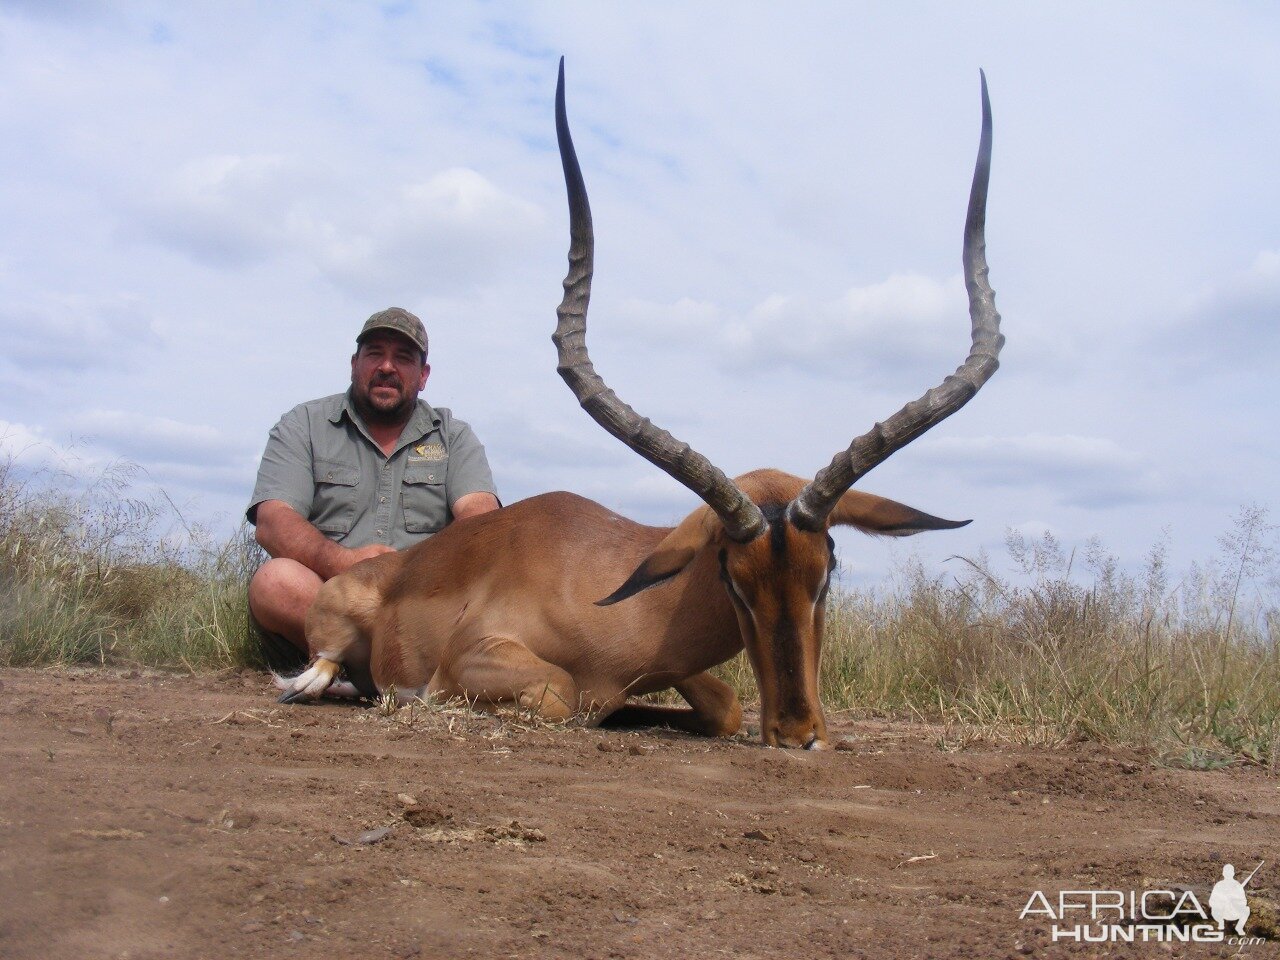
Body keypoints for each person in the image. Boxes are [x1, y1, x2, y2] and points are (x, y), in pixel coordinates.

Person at [246, 307, 500, 669]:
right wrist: (344, 563)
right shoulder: (304, 425)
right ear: (354, 363)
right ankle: (396, 669)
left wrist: (410, 574)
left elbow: (481, 518)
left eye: (403, 358)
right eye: (375, 353)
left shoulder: (454, 436)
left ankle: (354, 668)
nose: (386, 367)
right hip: (333, 598)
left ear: (423, 375)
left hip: (424, 606)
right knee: (275, 582)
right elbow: (273, 521)